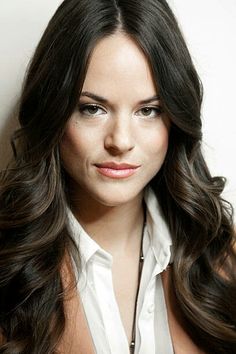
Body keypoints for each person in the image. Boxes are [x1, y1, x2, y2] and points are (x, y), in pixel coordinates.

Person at [0, 0, 235, 353]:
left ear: (175, 119)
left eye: (149, 110)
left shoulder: (222, 260)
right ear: (54, 111)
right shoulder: (9, 269)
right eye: (92, 108)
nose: (121, 141)